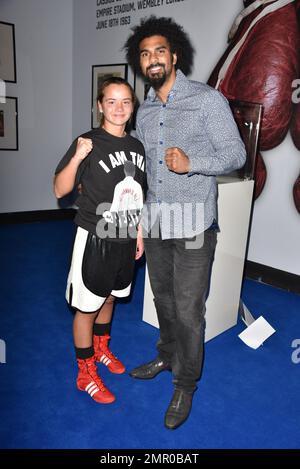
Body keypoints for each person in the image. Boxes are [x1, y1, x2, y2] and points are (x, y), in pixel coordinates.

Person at [124, 16, 246, 428]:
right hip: (158, 221)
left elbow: (236, 155)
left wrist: (193, 164)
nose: (153, 59)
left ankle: (186, 383)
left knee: (190, 310)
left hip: (195, 223)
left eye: (160, 50)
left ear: (175, 56)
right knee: (163, 300)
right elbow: (146, 175)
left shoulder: (207, 100)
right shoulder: (145, 110)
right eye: (145, 54)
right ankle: (166, 353)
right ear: (140, 63)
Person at [53, 77, 146, 404]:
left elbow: (136, 195)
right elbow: (60, 190)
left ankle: (102, 348)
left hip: (124, 238)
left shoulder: (137, 147)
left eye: (126, 102)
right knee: (86, 306)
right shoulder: (87, 141)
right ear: (100, 106)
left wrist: (139, 232)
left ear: (132, 108)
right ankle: (84, 370)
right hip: (94, 237)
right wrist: (78, 157)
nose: (119, 108)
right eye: (112, 101)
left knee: (110, 299)